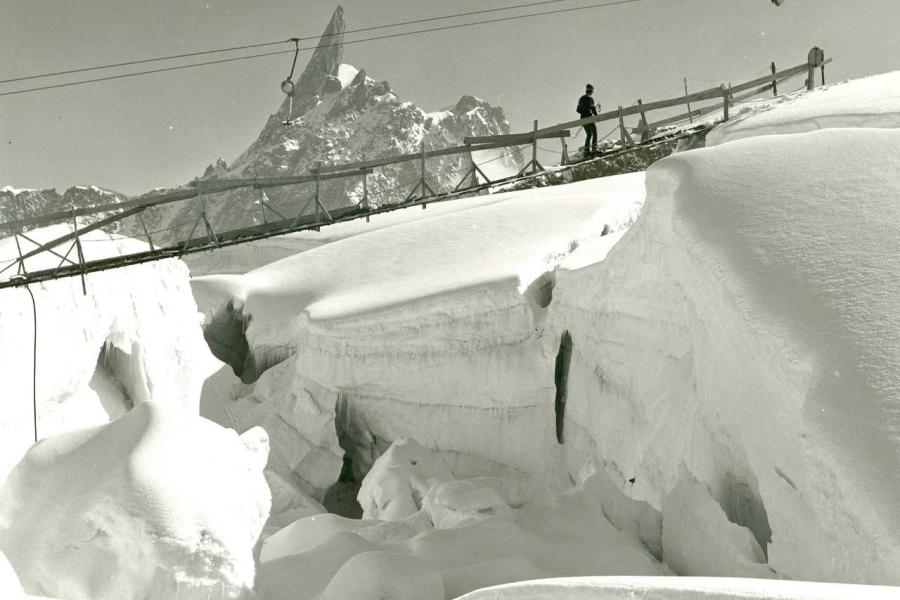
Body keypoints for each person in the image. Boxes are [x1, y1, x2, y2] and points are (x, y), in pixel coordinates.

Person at [577, 84, 599, 155]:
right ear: (591, 91)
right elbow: (593, 109)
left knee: (589, 134)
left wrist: (584, 111)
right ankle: (594, 149)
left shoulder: (581, 99)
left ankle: (587, 151)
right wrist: (596, 116)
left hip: (582, 119)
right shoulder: (590, 99)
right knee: (594, 133)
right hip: (588, 118)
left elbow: (578, 109)